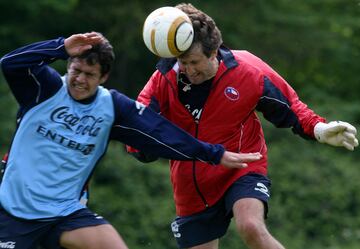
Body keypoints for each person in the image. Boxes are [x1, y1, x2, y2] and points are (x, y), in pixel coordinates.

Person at [0, 32, 264, 249]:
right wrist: (60, 47)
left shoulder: (111, 107)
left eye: (89, 75)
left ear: (103, 78)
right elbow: (10, 63)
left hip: (65, 213)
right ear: (68, 66)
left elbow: (161, 133)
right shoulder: (44, 90)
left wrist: (214, 154)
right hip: (14, 209)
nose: (79, 80)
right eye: (76, 70)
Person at [128, 3, 359, 249]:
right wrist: (142, 146)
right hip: (192, 183)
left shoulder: (248, 70)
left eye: (194, 62)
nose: (187, 70)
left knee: (250, 226)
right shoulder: (164, 79)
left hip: (242, 165)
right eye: (182, 62)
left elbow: (291, 106)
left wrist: (319, 130)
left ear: (214, 51)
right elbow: (138, 126)